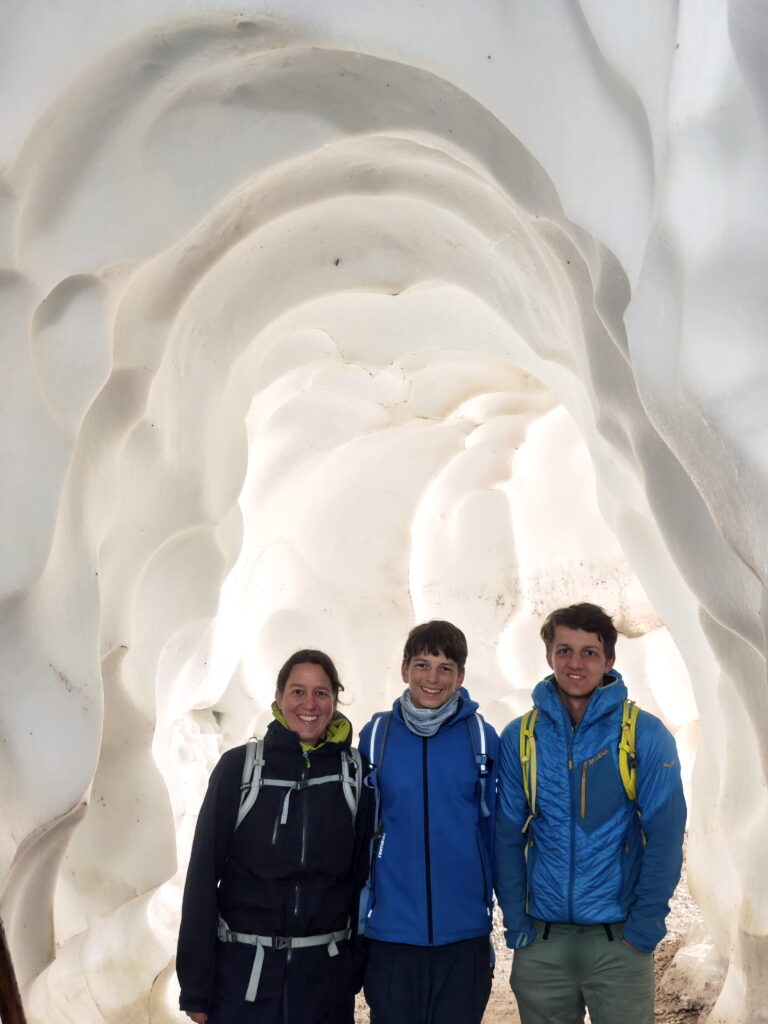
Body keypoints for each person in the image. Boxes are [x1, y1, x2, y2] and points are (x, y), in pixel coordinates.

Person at [495, 603, 687, 1024]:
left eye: (589, 652)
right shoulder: (521, 738)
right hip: (542, 941)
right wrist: (515, 920)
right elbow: (507, 835)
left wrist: (644, 929)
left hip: (619, 941)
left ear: (610, 661)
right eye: (564, 650)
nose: (575, 663)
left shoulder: (643, 735)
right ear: (549, 657)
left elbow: (666, 838)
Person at [177, 649, 370, 1024]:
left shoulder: (354, 774)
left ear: (335, 700)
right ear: (279, 697)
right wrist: (196, 986)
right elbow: (202, 876)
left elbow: (363, 879)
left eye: (321, 693)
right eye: (298, 691)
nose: (309, 704)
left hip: (323, 985)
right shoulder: (241, 769)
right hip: (244, 983)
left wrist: (354, 967)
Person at [358, 620, 499, 1024]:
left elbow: (495, 832)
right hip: (391, 935)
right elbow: (361, 830)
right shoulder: (376, 736)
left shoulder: (481, 739)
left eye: (445, 668)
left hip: (463, 934)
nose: (432, 678)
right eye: (422, 665)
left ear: (461, 677)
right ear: (404, 670)